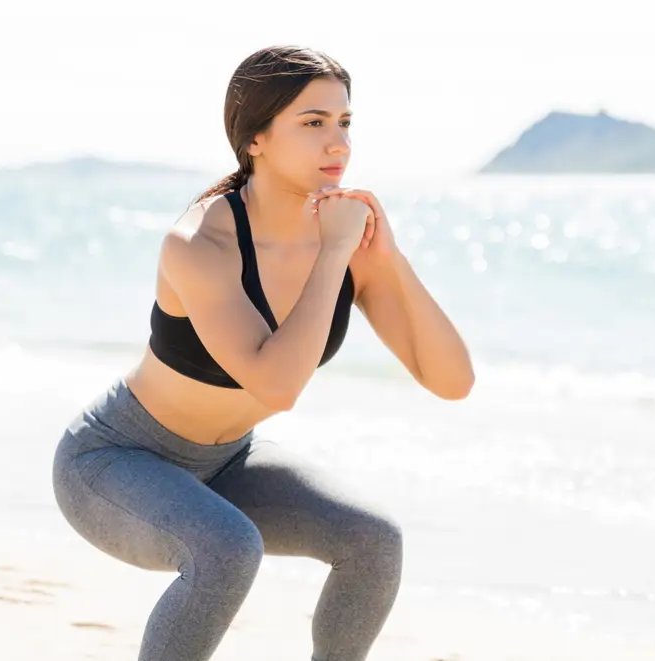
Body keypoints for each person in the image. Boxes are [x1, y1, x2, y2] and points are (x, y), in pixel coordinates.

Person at [51, 44, 475, 661]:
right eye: (313, 123)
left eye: (344, 122)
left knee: (372, 540)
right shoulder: (201, 242)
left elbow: (452, 380)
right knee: (226, 548)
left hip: (227, 461)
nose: (339, 144)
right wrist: (334, 255)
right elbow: (277, 386)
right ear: (256, 139)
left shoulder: (344, 239)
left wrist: (386, 260)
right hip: (115, 461)